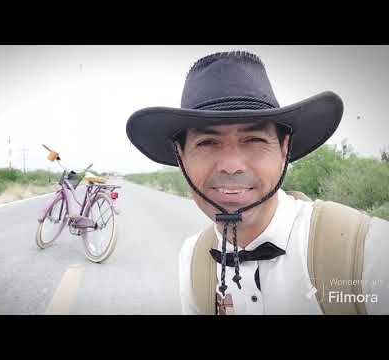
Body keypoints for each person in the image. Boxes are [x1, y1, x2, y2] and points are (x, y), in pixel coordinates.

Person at [126, 50, 389, 315]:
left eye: (254, 140)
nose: (231, 165)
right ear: (180, 157)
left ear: (284, 149)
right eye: (207, 143)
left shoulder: (368, 251)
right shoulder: (193, 259)